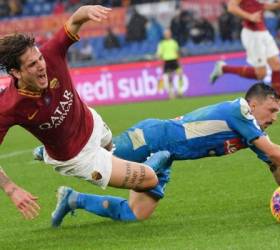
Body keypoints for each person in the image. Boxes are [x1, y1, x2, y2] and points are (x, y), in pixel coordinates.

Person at [34, 83, 280, 227]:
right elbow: (275, 151)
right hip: (151, 138)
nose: (274, 117)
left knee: (135, 214)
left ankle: (74, 200)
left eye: (277, 111)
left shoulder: (251, 133)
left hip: (165, 155)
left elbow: (275, 162)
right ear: (253, 104)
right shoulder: (239, 111)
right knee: (98, 157)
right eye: (271, 110)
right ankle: (47, 150)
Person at [0, 5, 166, 222]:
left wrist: (85, 11)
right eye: (32, 64)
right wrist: (12, 189)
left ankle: (46, 154)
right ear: (15, 72)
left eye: (39, 58)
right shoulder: (9, 106)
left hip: (91, 121)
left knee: (114, 154)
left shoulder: (51, 55)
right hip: (77, 157)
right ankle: (53, 157)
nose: (42, 66)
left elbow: (74, 22)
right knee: (150, 180)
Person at [210, 0, 280, 113]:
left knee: (276, 64)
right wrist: (249, 16)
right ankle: (223, 68)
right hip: (252, 34)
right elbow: (231, 7)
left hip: (263, 32)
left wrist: (278, 5)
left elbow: (261, 7)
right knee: (261, 74)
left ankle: (279, 104)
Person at [156, 29, 184, 99]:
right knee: (169, 78)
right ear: (164, 35)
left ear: (170, 34)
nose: (167, 35)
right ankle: (171, 94)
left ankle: (180, 91)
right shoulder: (162, 44)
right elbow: (159, 54)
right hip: (167, 61)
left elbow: (177, 52)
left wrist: (179, 61)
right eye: (166, 34)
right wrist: (160, 63)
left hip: (174, 60)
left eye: (168, 33)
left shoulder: (174, 42)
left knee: (180, 74)